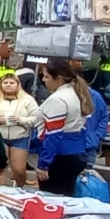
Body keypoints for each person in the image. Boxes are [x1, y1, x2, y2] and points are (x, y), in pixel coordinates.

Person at [34, 58, 94, 197]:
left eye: (47, 77)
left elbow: (53, 134)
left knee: (52, 200)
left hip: (58, 156)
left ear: (59, 78)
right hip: (76, 152)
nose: (43, 80)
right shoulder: (77, 93)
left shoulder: (58, 99)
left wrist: (44, 164)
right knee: (68, 198)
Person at [0, 73, 42, 187]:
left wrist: (20, 120)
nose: (8, 85)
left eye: (12, 83)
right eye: (5, 83)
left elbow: (36, 118)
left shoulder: (28, 100)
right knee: (0, 168)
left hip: (20, 138)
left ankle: (20, 188)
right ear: (1, 84)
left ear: (18, 84)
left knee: (19, 170)